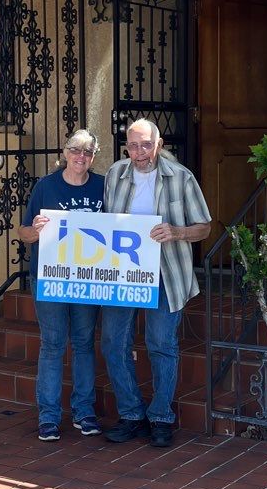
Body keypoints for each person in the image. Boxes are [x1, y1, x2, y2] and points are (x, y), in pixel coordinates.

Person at [101, 118, 211, 449]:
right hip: (123, 273)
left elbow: (204, 226)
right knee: (112, 343)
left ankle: (161, 416)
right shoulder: (114, 175)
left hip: (166, 273)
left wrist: (177, 232)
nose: (139, 152)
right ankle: (131, 414)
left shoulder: (181, 177)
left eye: (146, 145)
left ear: (159, 144)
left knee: (161, 344)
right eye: (133, 145)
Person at [17, 128, 104, 442]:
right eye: (76, 150)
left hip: (87, 279)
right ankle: (49, 417)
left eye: (88, 152)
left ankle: (84, 412)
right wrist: (36, 231)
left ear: (94, 157)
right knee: (53, 344)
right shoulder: (46, 186)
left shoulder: (102, 186)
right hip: (51, 276)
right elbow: (23, 232)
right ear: (66, 153)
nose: (81, 157)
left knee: (83, 343)